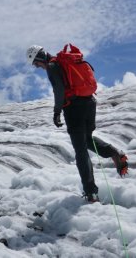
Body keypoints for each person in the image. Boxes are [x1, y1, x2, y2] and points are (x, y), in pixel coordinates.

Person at [26, 44, 128, 203]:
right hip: (89, 103)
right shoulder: (64, 63)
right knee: (87, 139)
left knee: (80, 151)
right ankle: (115, 153)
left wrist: (57, 111)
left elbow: (58, 90)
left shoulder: (52, 67)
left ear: (39, 58)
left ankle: (90, 193)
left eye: (36, 64)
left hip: (74, 108)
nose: (38, 67)